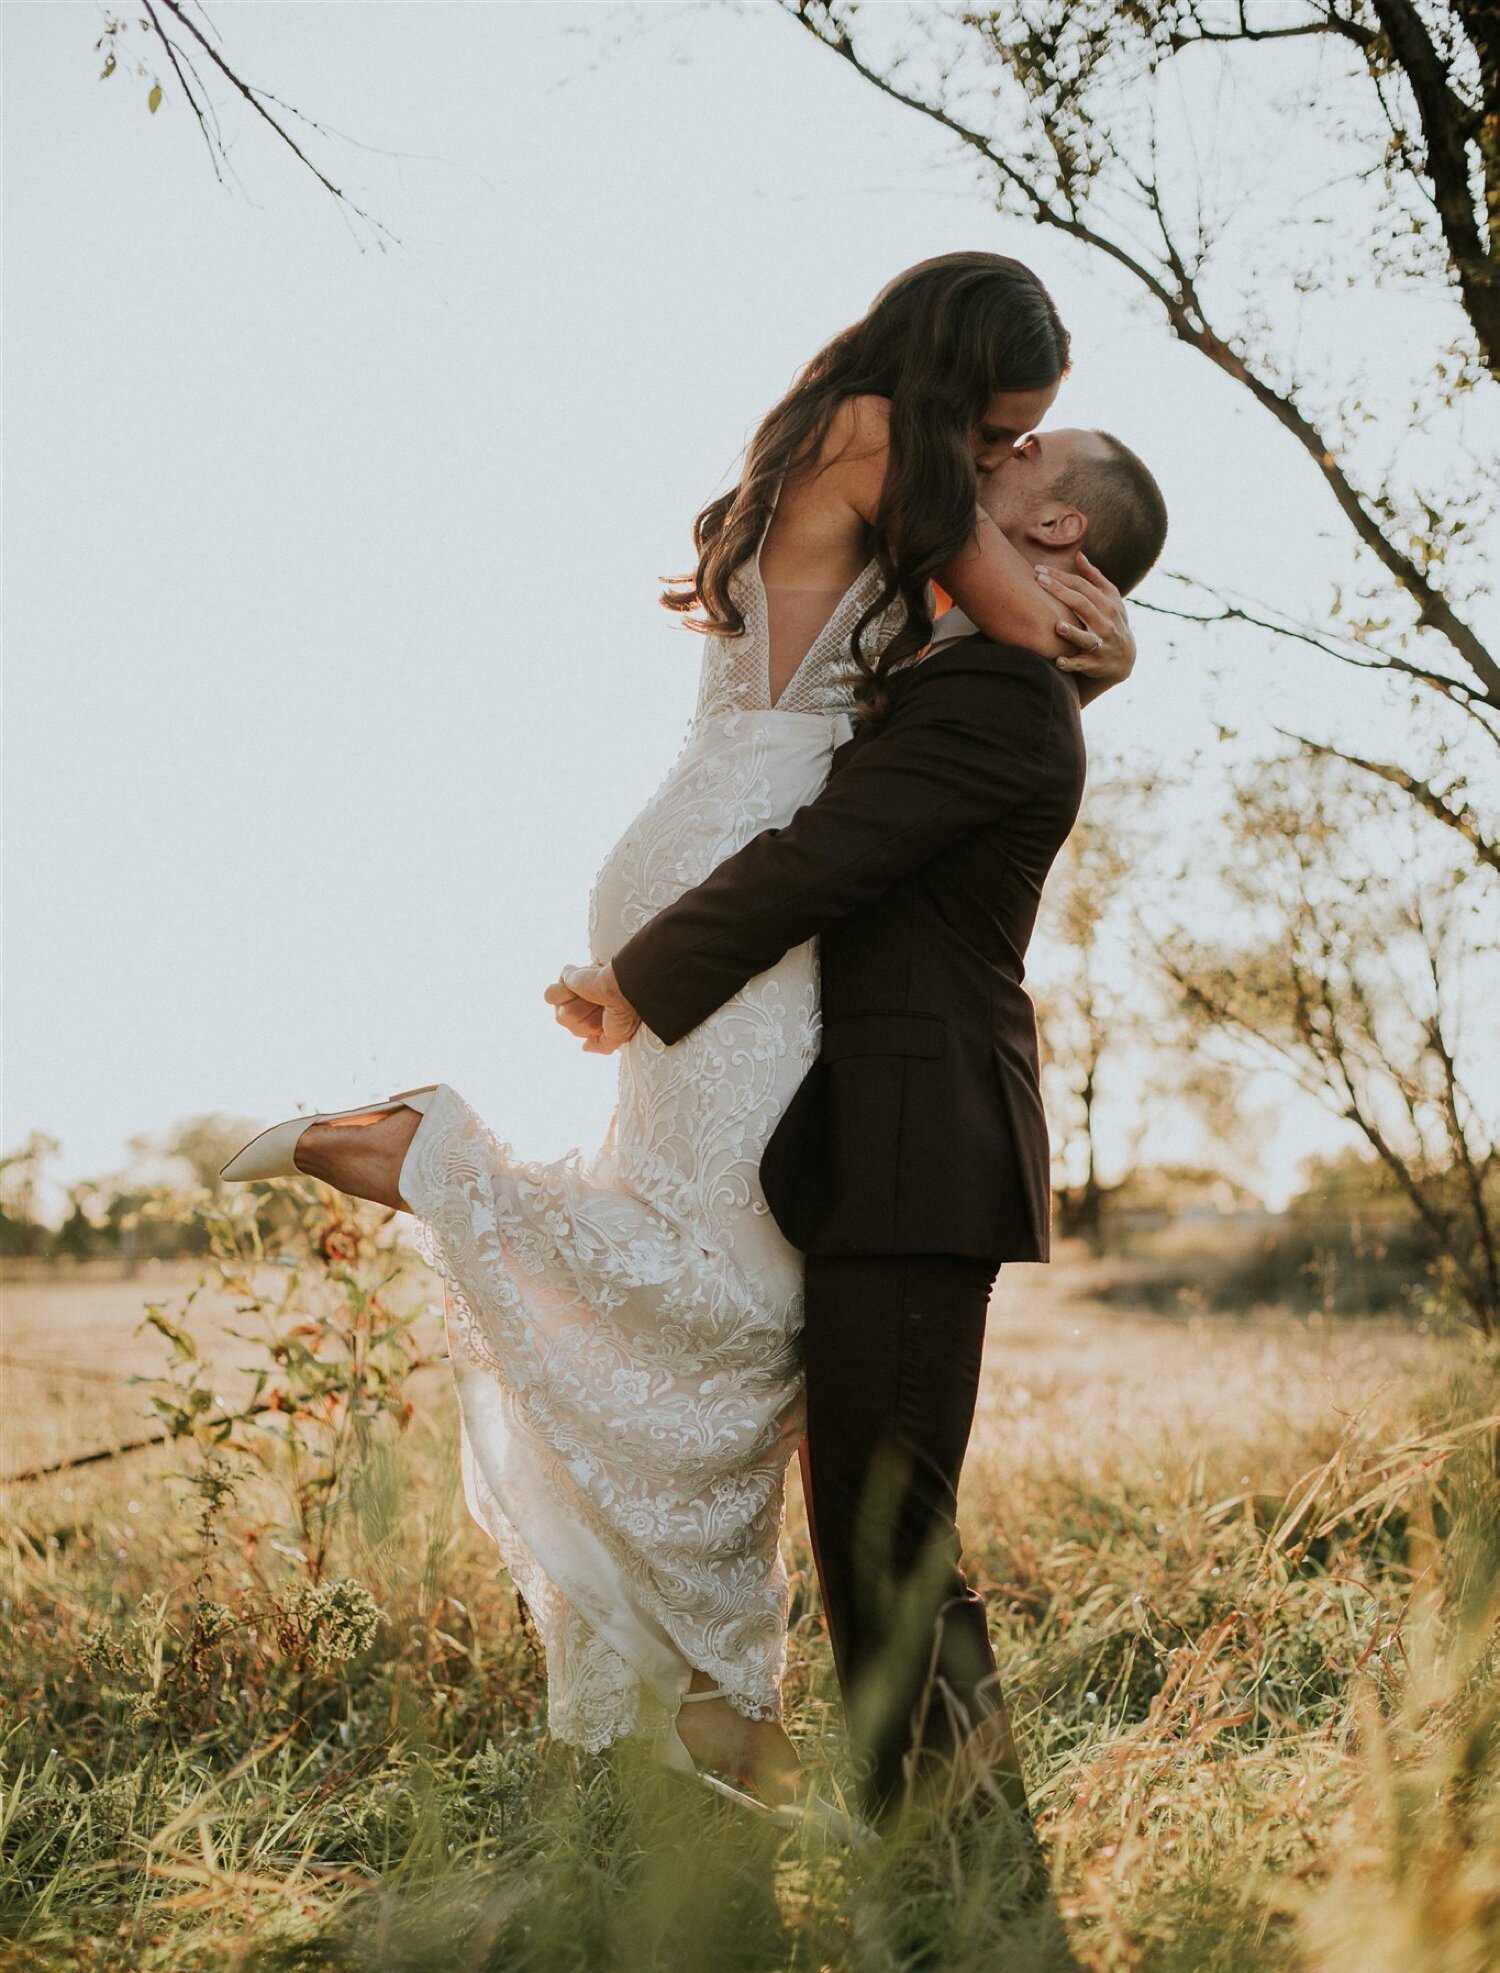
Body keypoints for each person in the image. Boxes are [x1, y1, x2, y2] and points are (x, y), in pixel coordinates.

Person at [219, 252, 1135, 1827]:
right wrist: (1098, 638)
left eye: (1017, 448)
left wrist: (1069, 619)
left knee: (731, 1278)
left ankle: (714, 1705)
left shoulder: (817, 435)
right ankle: (443, 1159)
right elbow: (1012, 642)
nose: (993, 466)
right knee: (744, 1297)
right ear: (957, 388)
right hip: (750, 872)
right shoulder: (903, 455)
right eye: (999, 434)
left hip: (697, 831)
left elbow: (970, 665)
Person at [550, 423, 1168, 1827]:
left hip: (921, 1140)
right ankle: (945, 1864)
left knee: (885, 1535)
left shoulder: (1005, 692)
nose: (985, 459)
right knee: (875, 1532)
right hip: (897, 1137)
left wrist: (636, 981)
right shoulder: (990, 669)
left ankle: (962, 1874)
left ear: (1064, 527)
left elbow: (833, 849)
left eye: (1023, 455)